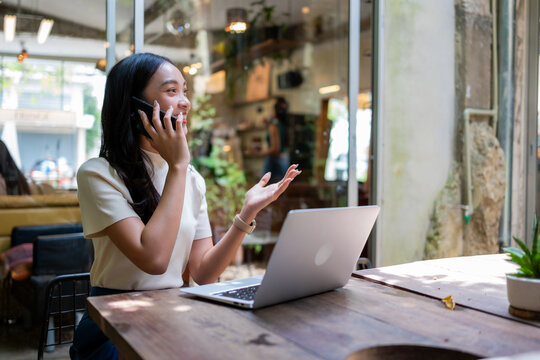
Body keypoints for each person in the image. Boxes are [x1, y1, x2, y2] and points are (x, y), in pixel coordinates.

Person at [70, 53, 300, 360]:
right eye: (170, 91)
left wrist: (246, 215)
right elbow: (153, 260)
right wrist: (178, 166)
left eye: (185, 91)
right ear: (134, 105)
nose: (185, 102)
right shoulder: (98, 173)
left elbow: (203, 273)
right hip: (114, 325)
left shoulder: (190, 178)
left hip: (174, 315)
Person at [261, 97, 290, 184]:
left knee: (266, 187)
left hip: (274, 159)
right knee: (282, 188)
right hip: (284, 159)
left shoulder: (273, 126)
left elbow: (275, 148)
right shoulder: (282, 124)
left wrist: (260, 153)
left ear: (275, 110)